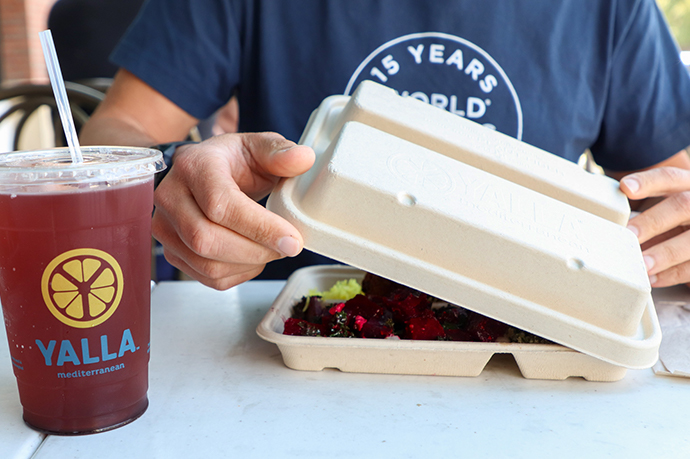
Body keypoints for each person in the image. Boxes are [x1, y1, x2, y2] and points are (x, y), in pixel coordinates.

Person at [80, 0, 690, 291]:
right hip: (285, 331)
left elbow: (667, 187)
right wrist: (171, 172)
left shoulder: (611, 9)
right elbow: (115, 134)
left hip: (539, 338)